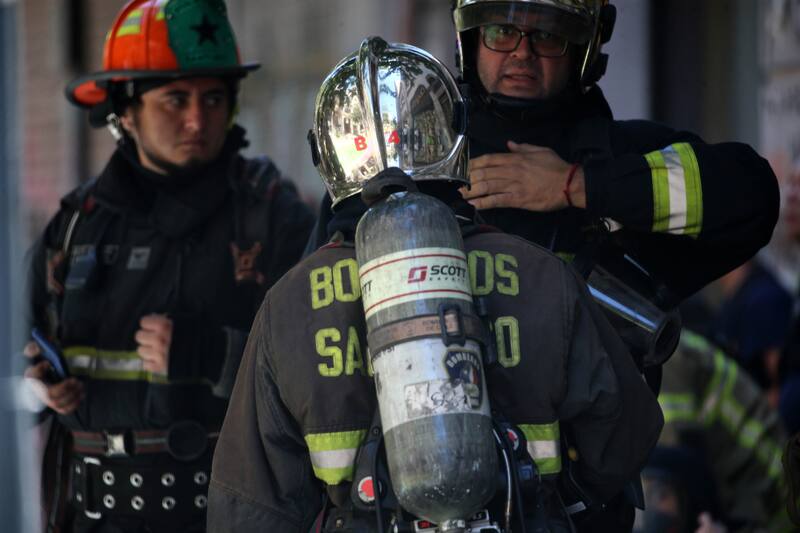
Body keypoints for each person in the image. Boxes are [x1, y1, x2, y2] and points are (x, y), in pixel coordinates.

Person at [208, 36, 662, 533]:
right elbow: (625, 439)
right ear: (454, 137)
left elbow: (249, 504)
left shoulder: (290, 305)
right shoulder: (541, 274)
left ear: (327, 156)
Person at [23, 1, 314, 531]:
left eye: (213, 98)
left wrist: (210, 355)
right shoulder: (74, 228)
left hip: (224, 515)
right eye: (174, 99)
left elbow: (321, 369)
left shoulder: (272, 216)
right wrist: (34, 385)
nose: (197, 120)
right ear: (125, 111)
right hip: (90, 516)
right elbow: (16, 343)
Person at [452, 0, 778, 307]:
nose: (523, 53)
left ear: (582, 51)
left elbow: (754, 195)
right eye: (503, 31)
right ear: (471, 40)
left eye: (549, 35)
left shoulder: (620, 154)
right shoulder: (431, 157)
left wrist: (579, 186)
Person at [657, 330, 792, 532]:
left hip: (766, 495)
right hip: (764, 487)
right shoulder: (664, 342)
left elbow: (678, 470)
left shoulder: (659, 359)